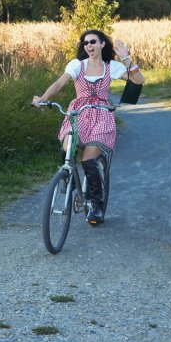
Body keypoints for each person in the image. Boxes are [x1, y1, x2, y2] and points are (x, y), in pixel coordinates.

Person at [31, 29, 145, 224]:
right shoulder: (77, 65)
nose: (89, 46)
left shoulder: (113, 67)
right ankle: (67, 175)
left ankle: (96, 205)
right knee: (68, 146)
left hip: (102, 115)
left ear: (102, 44)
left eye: (93, 42)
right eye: (86, 43)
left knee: (88, 160)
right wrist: (43, 99)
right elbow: (59, 83)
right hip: (79, 112)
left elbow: (138, 81)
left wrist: (126, 58)